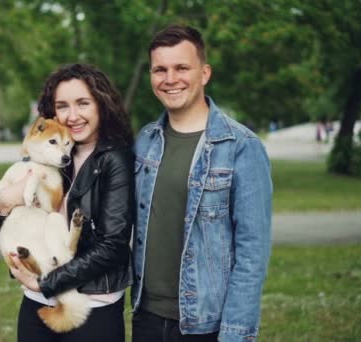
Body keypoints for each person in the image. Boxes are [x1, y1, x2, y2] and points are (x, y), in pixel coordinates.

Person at [131, 25, 273, 342]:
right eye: (160, 70)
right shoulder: (145, 142)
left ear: (204, 73)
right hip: (146, 318)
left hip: (206, 325)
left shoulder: (242, 147)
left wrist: (234, 334)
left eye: (182, 68)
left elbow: (252, 255)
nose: (170, 79)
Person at [0, 63, 135, 342]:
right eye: (62, 106)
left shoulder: (115, 159)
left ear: (101, 104)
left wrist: (47, 283)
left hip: (91, 306)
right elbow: (1, 222)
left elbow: (113, 246)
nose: (72, 116)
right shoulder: (53, 151)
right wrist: (3, 204)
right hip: (36, 301)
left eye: (82, 103)